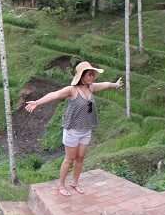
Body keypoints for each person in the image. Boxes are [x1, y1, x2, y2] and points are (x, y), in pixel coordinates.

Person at [24, 61, 122, 196]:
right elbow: (54, 94)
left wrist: (115, 85)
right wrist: (37, 102)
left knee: (80, 158)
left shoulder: (91, 88)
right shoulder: (72, 90)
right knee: (69, 159)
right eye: (89, 74)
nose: (92, 77)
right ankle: (61, 185)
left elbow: (105, 85)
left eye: (93, 74)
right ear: (81, 76)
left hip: (86, 130)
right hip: (72, 131)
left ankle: (75, 183)